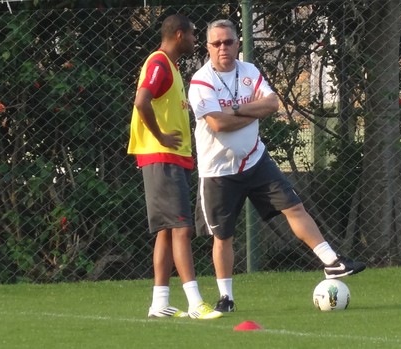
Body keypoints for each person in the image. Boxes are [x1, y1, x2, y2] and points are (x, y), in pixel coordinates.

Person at [188, 19, 366, 313]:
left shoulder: (249, 71)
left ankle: (331, 263)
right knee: (223, 237)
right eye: (217, 43)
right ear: (207, 47)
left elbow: (272, 104)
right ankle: (226, 298)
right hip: (218, 172)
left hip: (256, 160)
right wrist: (248, 113)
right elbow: (218, 124)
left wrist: (235, 110)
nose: (223, 48)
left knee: (294, 207)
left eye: (229, 41)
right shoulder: (201, 82)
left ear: (237, 43)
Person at [127, 14, 222, 320]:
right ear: (179, 35)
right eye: (195, 35)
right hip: (161, 156)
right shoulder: (158, 63)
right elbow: (142, 101)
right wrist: (161, 136)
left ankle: (160, 303)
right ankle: (195, 303)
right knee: (182, 228)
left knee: (167, 233)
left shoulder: (173, 67)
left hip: (170, 158)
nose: (197, 41)